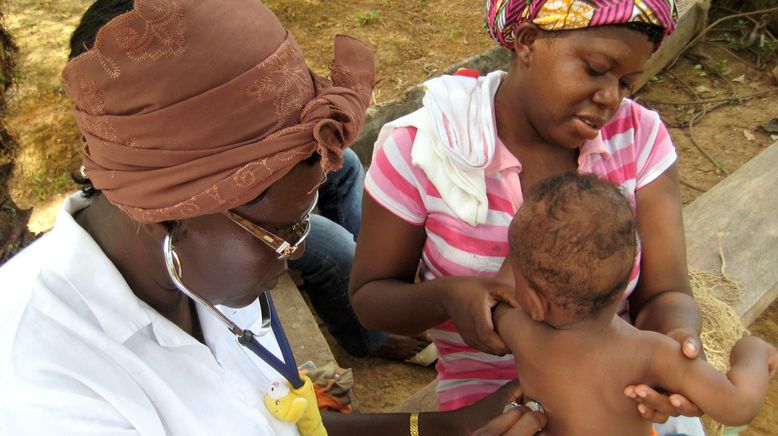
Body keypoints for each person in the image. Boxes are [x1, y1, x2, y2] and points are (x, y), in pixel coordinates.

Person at [0, 1, 545, 435]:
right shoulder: (45, 388)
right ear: (167, 215)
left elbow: (270, 420)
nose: (301, 249)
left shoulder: (196, 267)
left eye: (306, 212)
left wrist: (451, 426)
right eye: (283, 230)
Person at [349, 0, 706, 433]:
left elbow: (665, 293)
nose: (610, 97)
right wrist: (448, 298)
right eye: (595, 68)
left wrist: (675, 350)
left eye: (627, 82)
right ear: (528, 41)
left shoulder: (639, 139)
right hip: (489, 412)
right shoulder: (425, 149)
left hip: (622, 390)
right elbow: (371, 298)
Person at [493, 171, 778, 435]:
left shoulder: (520, 331)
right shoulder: (649, 353)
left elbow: (494, 306)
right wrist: (752, 349)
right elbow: (738, 405)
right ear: (626, 282)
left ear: (533, 301)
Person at [287, 147, 431, 360]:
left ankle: (379, 292)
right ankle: (369, 339)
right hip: (241, 213)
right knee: (336, 250)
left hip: (263, 178)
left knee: (345, 162)